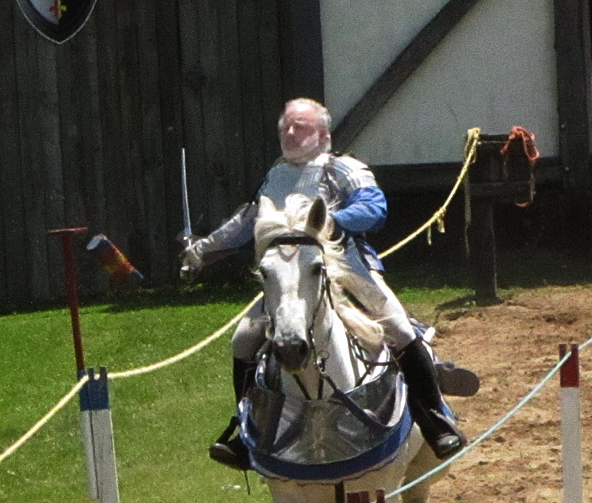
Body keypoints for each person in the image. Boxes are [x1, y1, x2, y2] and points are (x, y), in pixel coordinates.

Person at [180, 98, 476, 469]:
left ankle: (435, 421)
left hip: (348, 270)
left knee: (399, 329)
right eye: (285, 126)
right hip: (289, 282)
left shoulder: (343, 168)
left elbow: (374, 207)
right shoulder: (275, 175)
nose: (290, 133)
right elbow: (247, 221)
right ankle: (246, 433)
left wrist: (332, 220)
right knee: (242, 340)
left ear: (323, 134)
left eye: (299, 126)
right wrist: (203, 250)